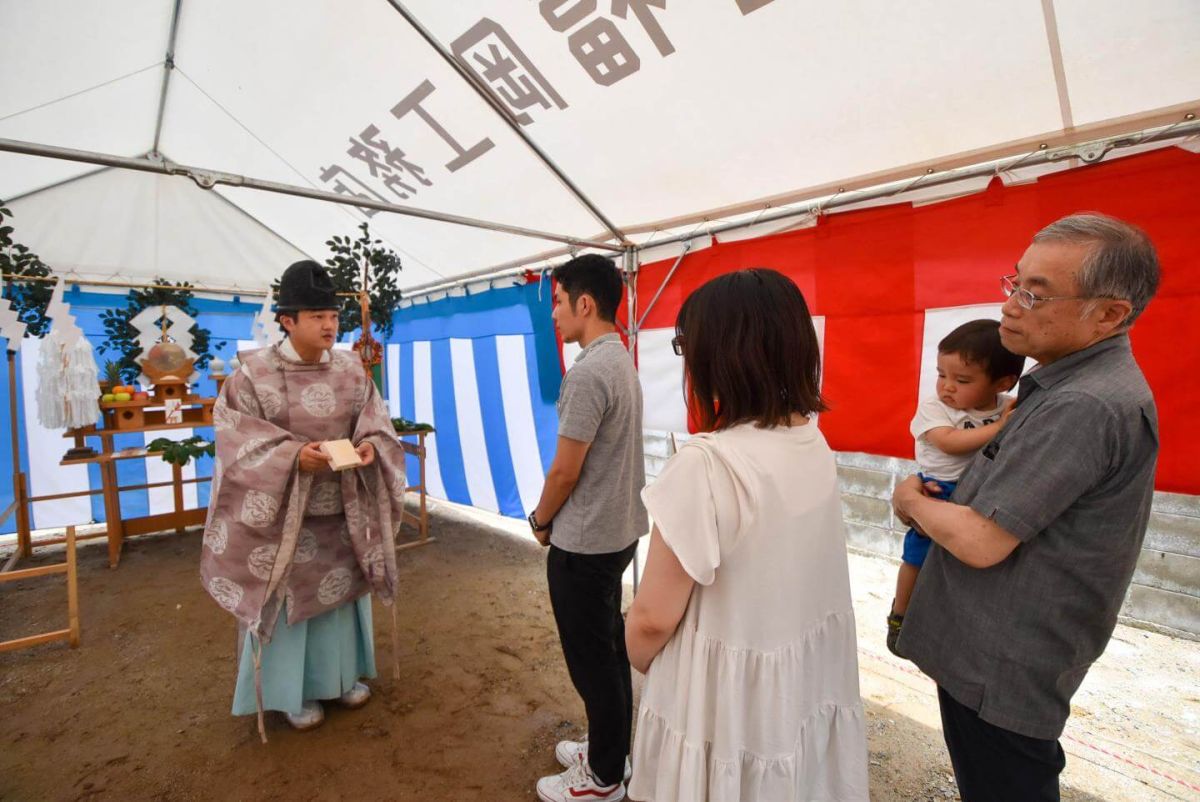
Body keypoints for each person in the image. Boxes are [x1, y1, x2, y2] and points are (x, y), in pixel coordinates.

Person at [893, 213, 1161, 801]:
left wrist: (910, 499)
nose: (1012, 306)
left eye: (1035, 294)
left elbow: (983, 540)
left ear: (1110, 314)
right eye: (1014, 284)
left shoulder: (1086, 403)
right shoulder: (1056, 386)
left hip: (1006, 657)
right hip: (995, 647)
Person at [625, 269, 869, 801]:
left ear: (719, 355)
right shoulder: (812, 439)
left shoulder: (706, 465)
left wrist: (643, 661)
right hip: (790, 698)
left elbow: (650, 619)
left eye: (686, 344)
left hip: (717, 709)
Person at [199, 259, 408, 741]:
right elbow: (237, 442)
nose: (329, 324)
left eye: (332, 315)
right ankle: (293, 693)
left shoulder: (353, 370)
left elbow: (377, 422)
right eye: (316, 316)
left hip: (343, 511)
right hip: (284, 518)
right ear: (287, 320)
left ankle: (340, 678)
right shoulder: (251, 377)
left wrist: (371, 446)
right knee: (290, 599)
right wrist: (294, 459)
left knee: (342, 593)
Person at [530, 254, 648, 802]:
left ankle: (602, 778)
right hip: (618, 532)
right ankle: (610, 753)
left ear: (585, 303)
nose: (554, 314)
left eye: (557, 301)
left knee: (593, 660)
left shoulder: (588, 372)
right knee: (609, 650)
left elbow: (564, 470)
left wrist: (540, 518)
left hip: (586, 541)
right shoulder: (620, 359)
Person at [887, 319, 1024, 656]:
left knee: (960, 566)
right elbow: (949, 443)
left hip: (980, 493)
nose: (947, 386)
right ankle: (899, 615)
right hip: (937, 490)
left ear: (1002, 382)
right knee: (916, 559)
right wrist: (999, 429)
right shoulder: (935, 408)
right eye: (941, 375)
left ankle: (945, 623)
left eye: (962, 380)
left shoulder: (1004, 406)